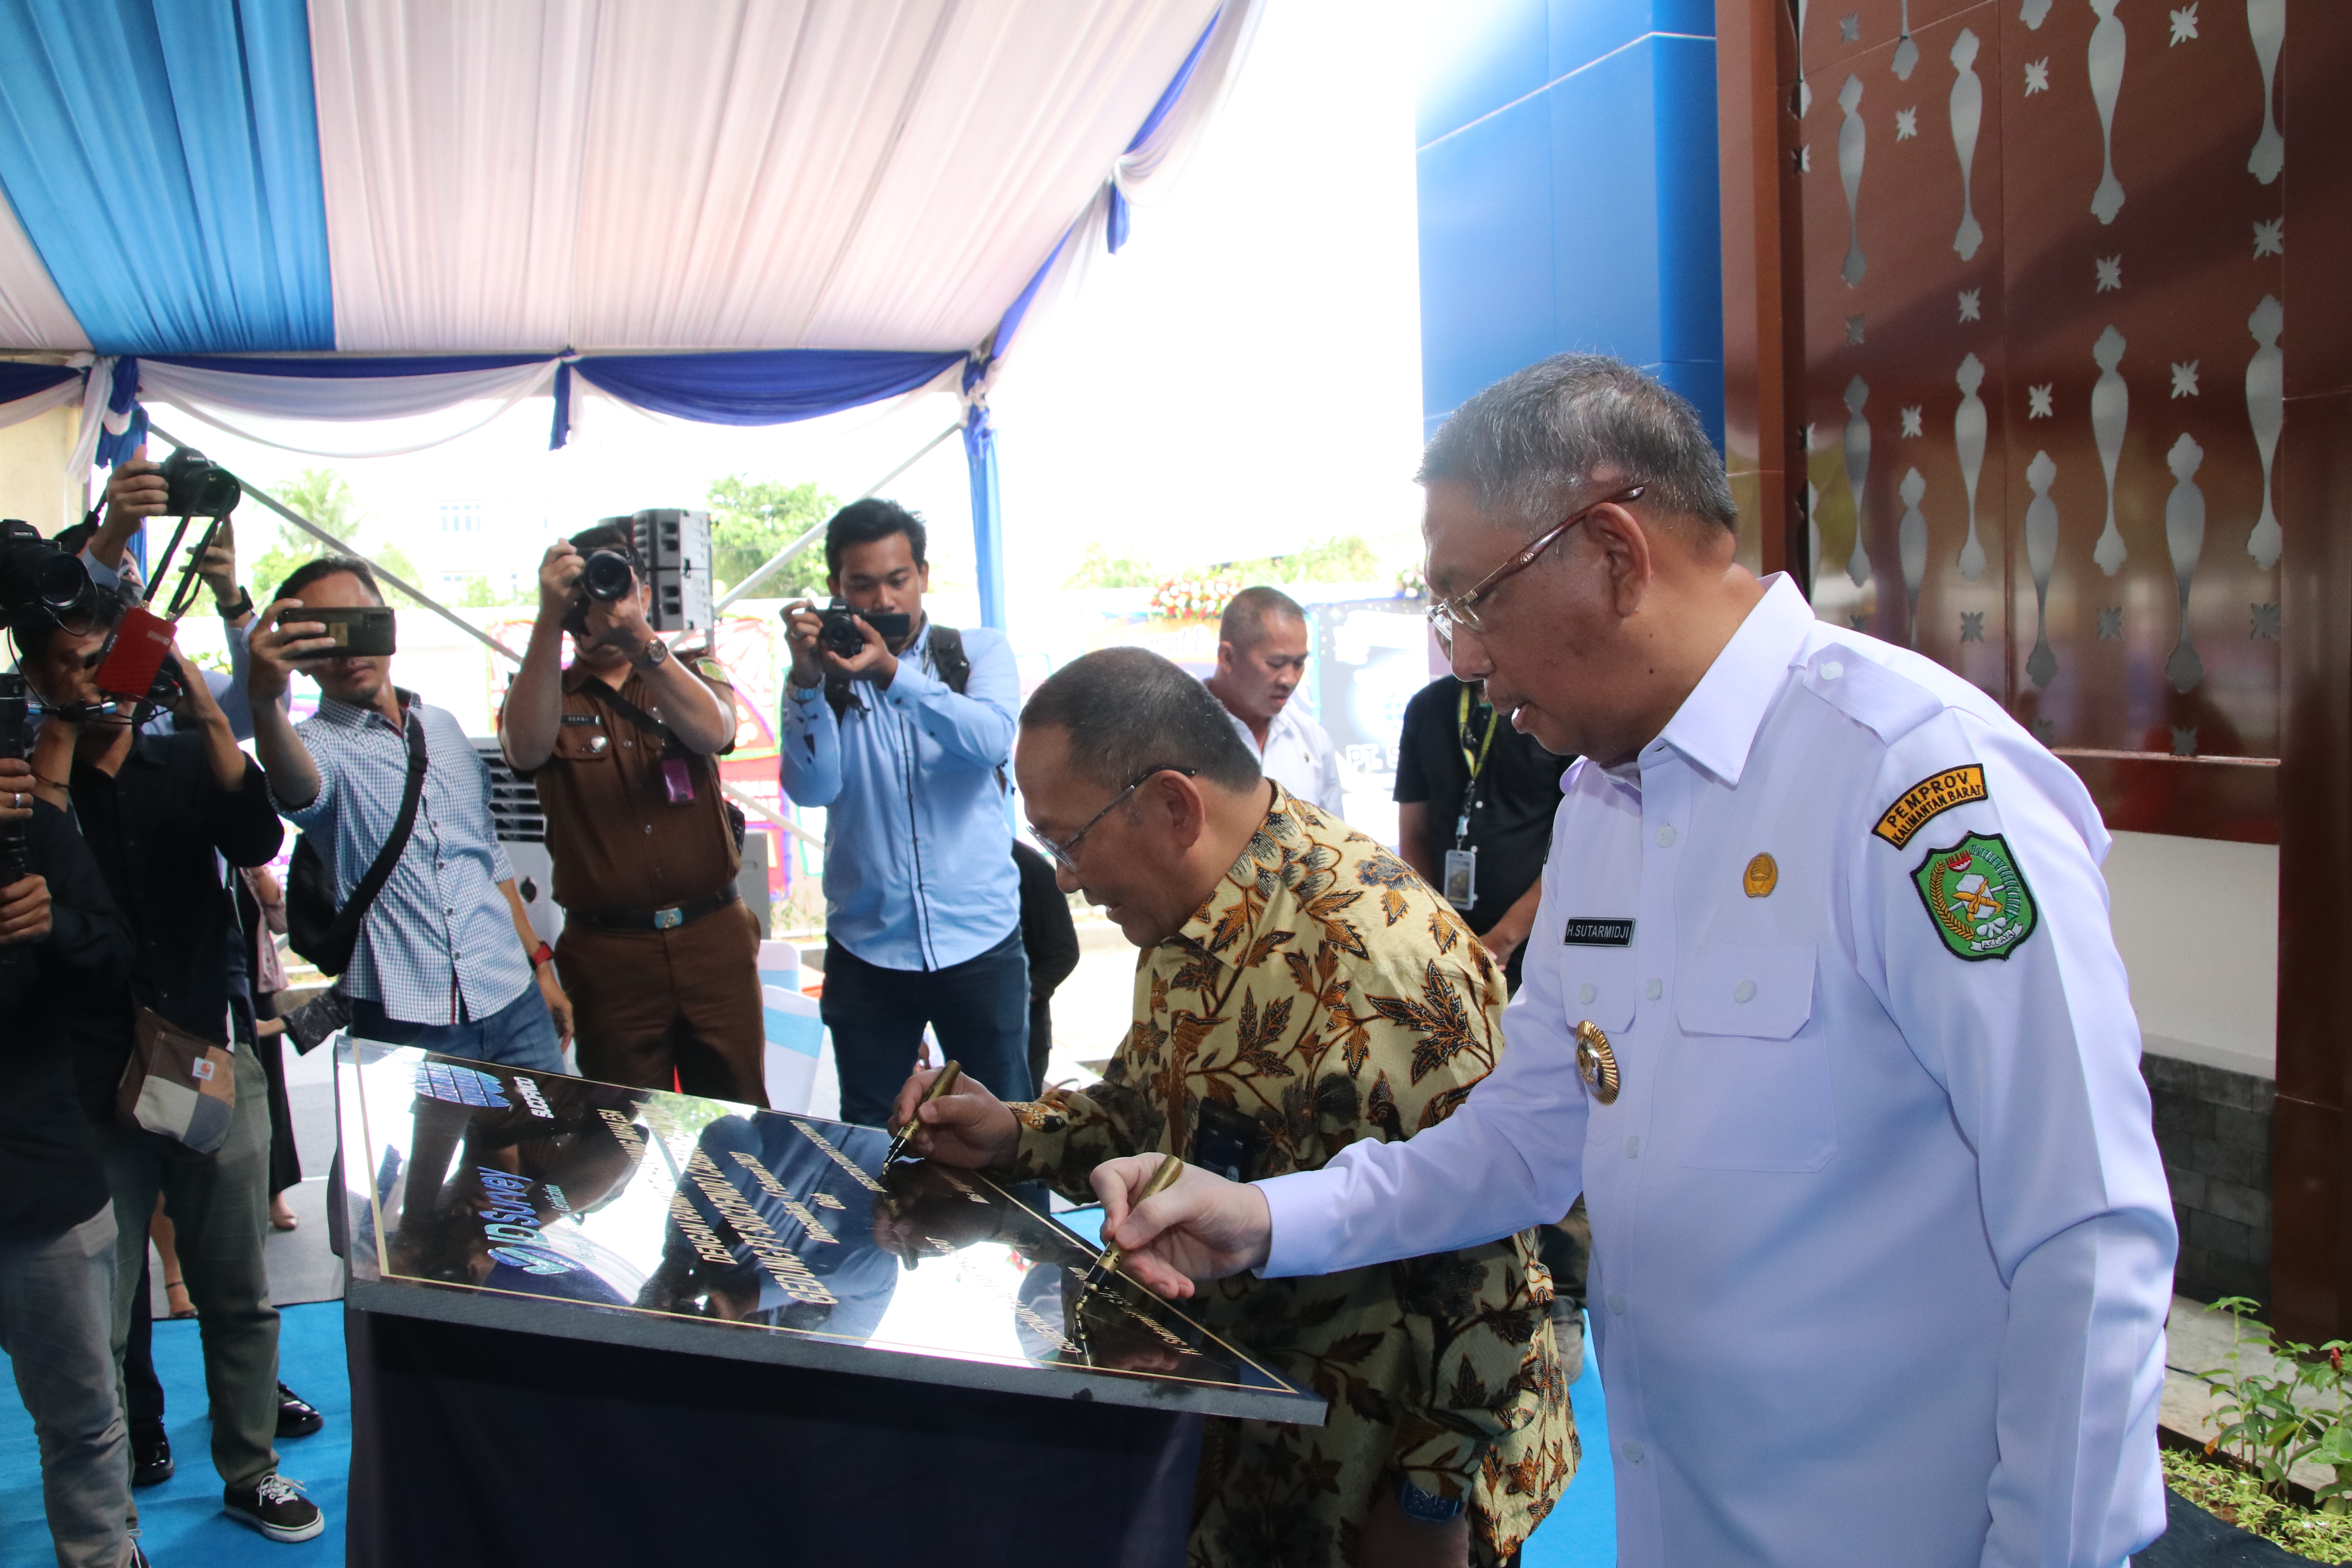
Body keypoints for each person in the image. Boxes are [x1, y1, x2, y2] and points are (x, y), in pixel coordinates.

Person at [1088, 354, 2176, 1568]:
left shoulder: (1914, 788)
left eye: (1469, 599)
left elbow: (2087, 1230)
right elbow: (1525, 1137)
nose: (1462, 657)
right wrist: (1257, 1216)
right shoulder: (1605, 807)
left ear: (1609, 551)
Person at [890, 648, 1570, 1568]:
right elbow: (1148, 1112)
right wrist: (1013, 1130)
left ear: (1173, 807)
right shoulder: (1186, 916)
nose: (1067, 880)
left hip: (1376, 1480)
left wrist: (1427, 1499)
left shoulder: (1376, 958)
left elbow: (1495, 1262)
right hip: (1243, 1438)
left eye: (1069, 840)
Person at [18, 600, 325, 1545]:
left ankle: (253, 1466)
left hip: (205, 1052)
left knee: (237, 1286)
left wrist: (200, 701)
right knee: (99, 1320)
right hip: (85, 1077)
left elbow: (257, 839)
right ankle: (108, 1520)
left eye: (108, 659)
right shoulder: (34, 788)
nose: (97, 679)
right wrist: (58, 748)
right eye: (72, 664)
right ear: (35, 676)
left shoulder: (185, 758)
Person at [247, 556, 570, 1070]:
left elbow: (486, 857)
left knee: (547, 1150)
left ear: (388, 625)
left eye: (359, 622)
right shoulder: (314, 746)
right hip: (407, 1015)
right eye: (324, 636)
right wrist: (264, 703)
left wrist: (541, 967)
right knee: (410, 1154)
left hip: (511, 994)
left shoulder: (442, 727)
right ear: (301, 658)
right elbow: (299, 787)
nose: (349, 649)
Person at [778, 499, 1028, 1126]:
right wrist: (807, 683)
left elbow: (991, 742)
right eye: (863, 584)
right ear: (838, 588)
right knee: (870, 1132)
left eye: (898, 580)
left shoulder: (976, 655)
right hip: (868, 949)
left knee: (1009, 1122)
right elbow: (811, 789)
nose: (884, 600)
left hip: (980, 940)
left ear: (922, 575)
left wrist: (893, 675)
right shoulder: (827, 677)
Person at [500, 525, 765, 1103]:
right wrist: (548, 622)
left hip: (713, 937)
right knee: (621, 1133)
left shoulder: (690, 666)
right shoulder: (548, 689)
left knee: (739, 1115)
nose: (600, 605)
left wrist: (641, 639)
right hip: (609, 955)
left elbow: (716, 729)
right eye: (584, 595)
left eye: (615, 586)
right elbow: (524, 748)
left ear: (641, 590)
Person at [1393, 674, 1588, 1379]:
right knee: (1463, 1109)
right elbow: (1415, 832)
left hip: (1540, 948)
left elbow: (1575, 845)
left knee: (1556, 1115)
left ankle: (1562, 1292)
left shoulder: (1554, 701)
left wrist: (1503, 938)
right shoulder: (1431, 710)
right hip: (1449, 958)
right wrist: (1427, 932)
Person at [0, 757, 146, 1568]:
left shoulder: (31, 831)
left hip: (39, 1168)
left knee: (85, 1414)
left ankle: (102, 1555)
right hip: (43, 1164)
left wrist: (53, 922)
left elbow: (112, 955)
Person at [1203, 586, 1341, 813]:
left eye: (1299, 664)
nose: (1289, 679)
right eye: (1276, 664)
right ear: (1227, 657)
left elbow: (1336, 844)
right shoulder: (1175, 737)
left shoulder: (1313, 741)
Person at [1010, 840, 1080, 1096]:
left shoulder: (1028, 865)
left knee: (1018, 1120)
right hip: (963, 1032)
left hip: (1024, 1037)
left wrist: (1015, 996)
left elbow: (1063, 952)